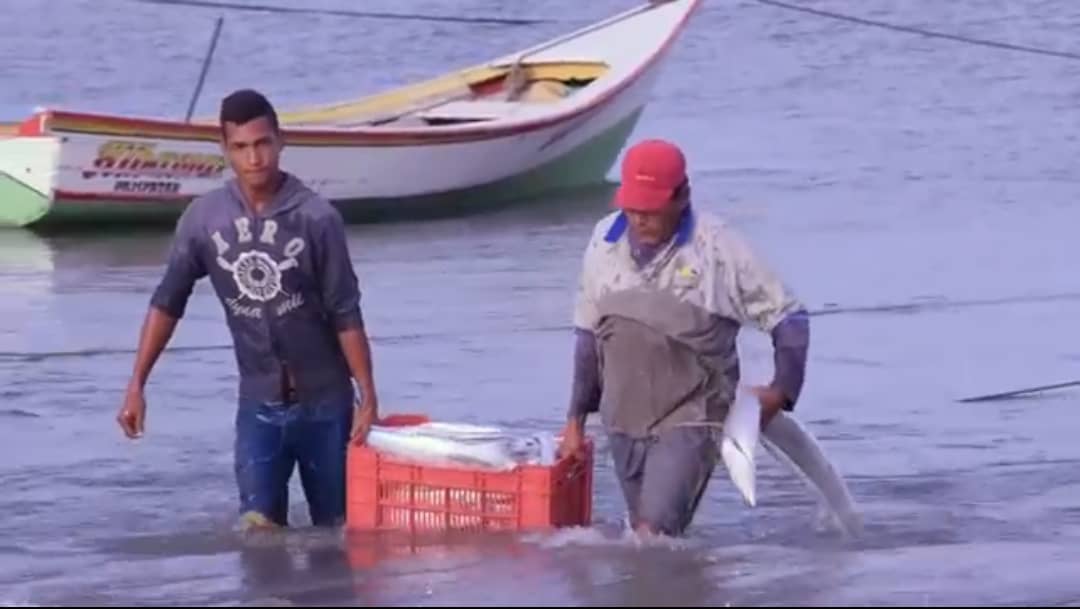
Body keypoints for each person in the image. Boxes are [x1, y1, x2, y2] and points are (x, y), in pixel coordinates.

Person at [116, 89, 379, 530]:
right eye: (240, 147)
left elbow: (346, 314)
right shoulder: (204, 219)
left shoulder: (317, 219)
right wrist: (137, 383)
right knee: (259, 534)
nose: (254, 158)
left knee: (336, 534)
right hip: (258, 405)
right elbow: (167, 302)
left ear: (280, 142)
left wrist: (367, 396)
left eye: (262, 144)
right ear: (225, 150)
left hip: (327, 405)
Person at [557, 138, 810, 537]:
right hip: (623, 415)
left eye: (651, 209)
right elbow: (588, 335)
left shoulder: (717, 249)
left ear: (682, 196)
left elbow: (789, 317)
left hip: (693, 412)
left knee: (652, 532)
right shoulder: (603, 243)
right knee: (651, 543)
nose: (640, 219)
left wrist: (781, 391)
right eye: (632, 206)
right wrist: (575, 420)